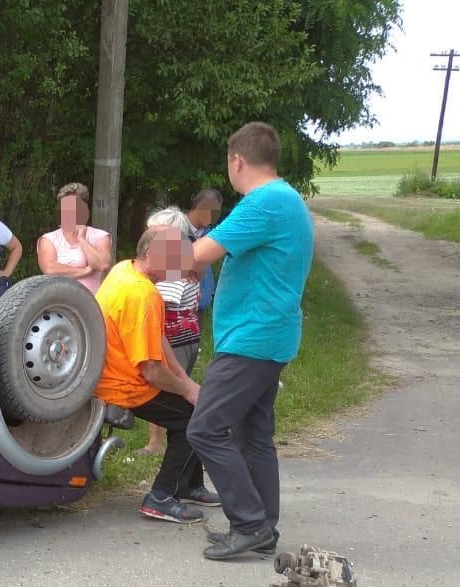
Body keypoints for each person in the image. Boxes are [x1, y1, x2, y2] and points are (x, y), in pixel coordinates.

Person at [188, 122, 314, 559]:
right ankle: (263, 528)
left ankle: (249, 523)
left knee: (204, 428)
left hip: (251, 338)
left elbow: (197, 255)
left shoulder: (262, 203)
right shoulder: (286, 198)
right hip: (269, 334)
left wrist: (144, 255)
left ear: (236, 160)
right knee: (252, 434)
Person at [95, 226, 219, 524]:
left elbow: (158, 338)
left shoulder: (124, 269)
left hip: (115, 374)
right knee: (193, 418)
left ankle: (188, 484)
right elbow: (150, 370)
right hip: (122, 385)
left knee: (194, 403)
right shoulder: (143, 294)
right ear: (151, 254)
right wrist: (188, 391)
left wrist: (188, 384)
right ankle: (161, 497)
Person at [136, 206, 203, 457]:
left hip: (174, 335)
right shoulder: (186, 268)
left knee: (167, 388)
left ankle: (157, 443)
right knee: (177, 387)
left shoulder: (172, 274)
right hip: (186, 333)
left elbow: (161, 302)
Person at [37, 182, 113, 295]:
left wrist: (82, 239)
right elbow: (50, 269)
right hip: (59, 304)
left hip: (90, 303)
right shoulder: (49, 239)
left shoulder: (100, 236)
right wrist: (85, 271)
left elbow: (103, 264)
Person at [186, 188, 224, 311]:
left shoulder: (212, 236)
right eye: (212, 211)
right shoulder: (176, 230)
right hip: (177, 307)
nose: (214, 217)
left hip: (201, 304)